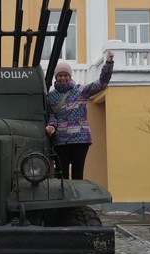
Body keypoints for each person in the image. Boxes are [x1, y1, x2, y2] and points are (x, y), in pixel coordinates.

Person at [45, 50, 114, 179]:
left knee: (78, 176)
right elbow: (52, 115)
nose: (63, 78)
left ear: (70, 76)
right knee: (62, 178)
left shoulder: (81, 91)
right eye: (60, 75)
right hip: (60, 141)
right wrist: (51, 126)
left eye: (65, 75)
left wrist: (109, 63)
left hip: (80, 140)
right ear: (56, 77)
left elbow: (102, 83)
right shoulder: (51, 96)